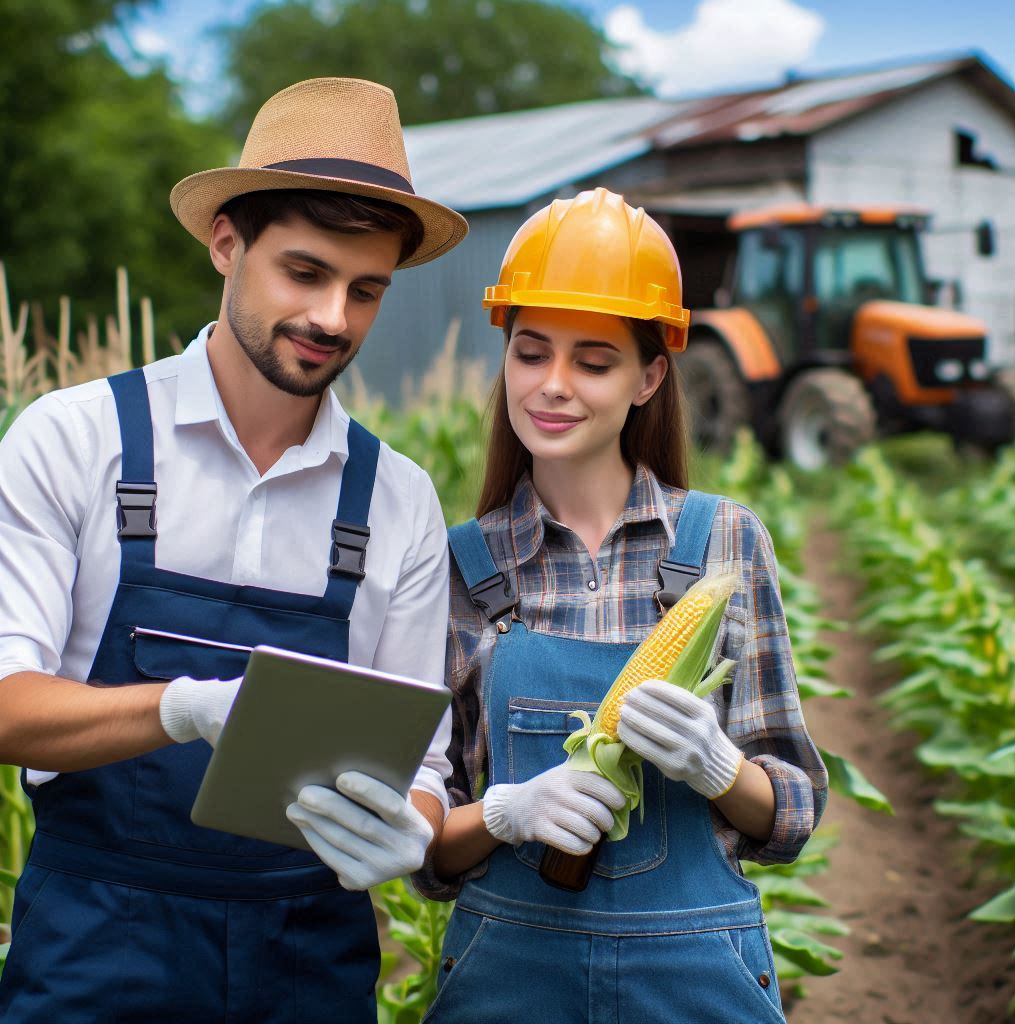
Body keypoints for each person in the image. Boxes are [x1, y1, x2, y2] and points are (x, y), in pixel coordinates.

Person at [0, 78, 467, 1023]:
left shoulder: (398, 500)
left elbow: (421, 771)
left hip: (308, 959)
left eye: (365, 289)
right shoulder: (75, 439)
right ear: (226, 243)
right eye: (305, 272)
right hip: (96, 945)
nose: (334, 318)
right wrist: (184, 707)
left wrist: (406, 838)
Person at [415, 188, 828, 1024]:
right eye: (531, 354)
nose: (553, 386)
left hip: (693, 976)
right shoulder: (462, 566)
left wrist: (719, 767)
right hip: (510, 978)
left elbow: (791, 817)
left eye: (593, 362)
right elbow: (425, 856)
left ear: (649, 376)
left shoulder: (725, 543)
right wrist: (506, 811)